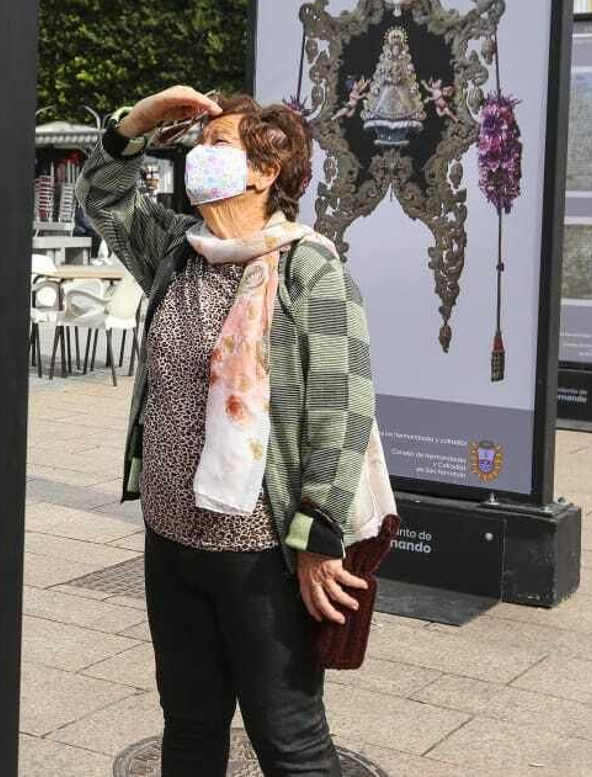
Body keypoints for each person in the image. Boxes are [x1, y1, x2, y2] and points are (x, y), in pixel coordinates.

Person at [77, 86, 380, 777]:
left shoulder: (308, 266)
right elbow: (103, 198)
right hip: (170, 538)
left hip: (260, 552)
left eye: (216, 145)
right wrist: (139, 121)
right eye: (197, 145)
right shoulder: (179, 252)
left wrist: (317, 537)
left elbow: (342, 405)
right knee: (188, 726)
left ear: (265, 170)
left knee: (288, 738)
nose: (198, 157)